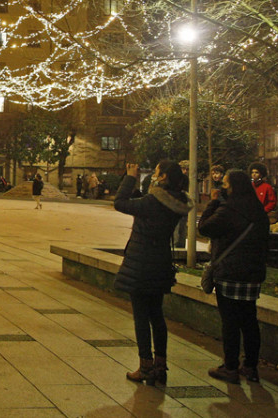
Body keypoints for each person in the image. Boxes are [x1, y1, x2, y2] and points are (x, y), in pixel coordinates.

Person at [113, 160, 193, 386]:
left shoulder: (153, 202)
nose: (154, 175)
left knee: (141, 316)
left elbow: (120, 203)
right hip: (160, 263)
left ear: (164, 176)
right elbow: (142, 203)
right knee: (157, 315)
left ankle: (145, 365)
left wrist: (130, 177)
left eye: (157, 172)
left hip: (141, 264)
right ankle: (160, 365)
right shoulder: (175, 202)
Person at [198, 169, 270, 384]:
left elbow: (204, 228)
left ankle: (230, 368)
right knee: (249, 320)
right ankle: (250, 366)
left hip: (229, 273)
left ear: (233, 187)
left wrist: (213, 203)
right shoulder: (258, 209)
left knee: (230, 322)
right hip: (253, 274)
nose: (223, 188)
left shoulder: (228, 209)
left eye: (226, 184)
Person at [174, 160, 190, 248]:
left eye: (187, 169)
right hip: (176, 208)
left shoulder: (189, 180)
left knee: (182, 230)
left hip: (184, 208)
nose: (185, 171)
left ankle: (181, 247)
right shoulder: (175, 180)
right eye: (183, 169)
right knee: (176, 231)